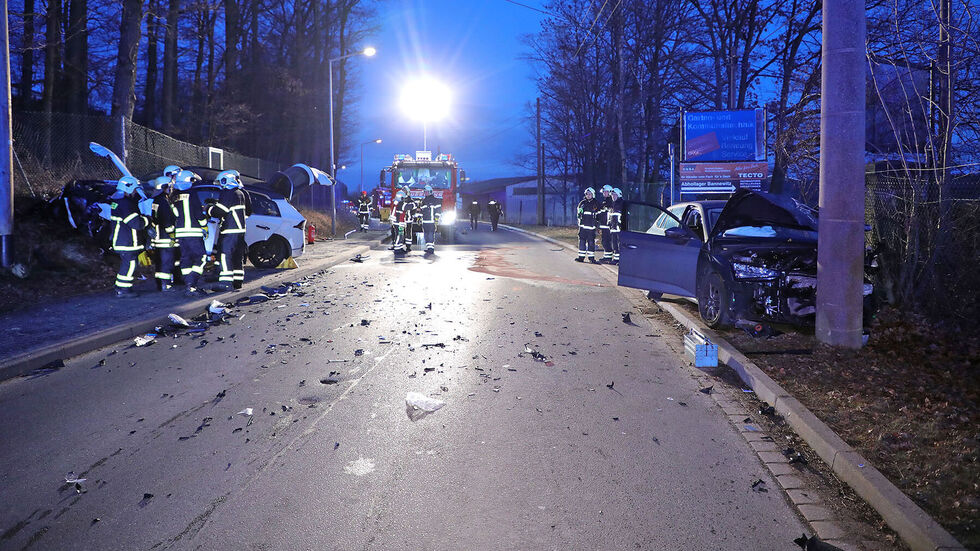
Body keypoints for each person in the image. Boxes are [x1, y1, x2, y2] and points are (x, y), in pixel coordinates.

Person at [210, 170, 251, 291]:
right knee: (237, 257)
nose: (220, 185)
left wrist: (209, 209)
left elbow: (220, 211)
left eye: (221, 182)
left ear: (225, 180)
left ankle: (225, 283)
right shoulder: (240, 193)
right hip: (240, 231)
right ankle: (237, 282)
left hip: (230, 231)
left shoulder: (228, 193)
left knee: (225, 256)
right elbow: (247, 212)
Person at [109, 176, 148, 298]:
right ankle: (123, 290)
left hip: (122, 240)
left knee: (128, 263)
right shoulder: (125, 204)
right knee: (130, 263)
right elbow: (136, 223)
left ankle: (120, 286)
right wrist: (147, 219)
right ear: (129, 188)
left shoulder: (118, 202)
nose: (136, 192)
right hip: (127, 241)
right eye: (135, 189)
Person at [172, 170, 209, 296]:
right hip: (193, 232)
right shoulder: (192, 193)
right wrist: (205, 226)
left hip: (180, 233)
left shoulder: (175, 195)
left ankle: (188, 285)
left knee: (186, 259)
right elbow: (198, 213)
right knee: (202, 258)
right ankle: (191, 283)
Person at [149, 176, 179, 291]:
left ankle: (160, 284)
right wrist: (172, 236)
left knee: (160, 262)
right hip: (166, 238)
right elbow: (167, 221)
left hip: (158, 238)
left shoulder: (156, 200)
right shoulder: (164, 202)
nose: (171, 189)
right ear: (164, 187)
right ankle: (165, 285)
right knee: (167, 262)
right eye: (170, 187)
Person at [575, 187, 600, 263]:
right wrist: (579, 219)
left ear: (593, 195)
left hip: (591, 228)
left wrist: (597, 226)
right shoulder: (582, 203)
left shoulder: (596, 203)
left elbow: (598, 216)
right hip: (583, 227)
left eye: (590, 194)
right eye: (587, 194)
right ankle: (581, 257)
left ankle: (591, 258)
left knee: (591, 242)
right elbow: (579, 213)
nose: (588, 195)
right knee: (582, 241)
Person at [418, 184, 442, 256]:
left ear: (430, 192)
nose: (425, 193)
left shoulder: (436, 201)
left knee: (431, 234)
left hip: (431, 221)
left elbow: (438, 211)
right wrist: (419, 218)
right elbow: (421, 211)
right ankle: (429, 248)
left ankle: (431, 249)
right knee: (426, 235)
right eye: (424, 192)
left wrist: (436, 219)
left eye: (426, 192)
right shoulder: (424, 201)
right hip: (425, 221)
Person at [390, 190, 411, 255]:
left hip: (399, 223)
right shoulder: (400, 204)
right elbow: (408, 207)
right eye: (404, 198)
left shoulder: (396, 203)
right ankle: (397, 248)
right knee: (399, 235)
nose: (404, 199)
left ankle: (400, 247)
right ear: (401, 198)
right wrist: (414, 204)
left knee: (401, 235)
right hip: (399, 223)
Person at [597, 184, 613, 263]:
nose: (604, 193)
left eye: (605, 192)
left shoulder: (611, 202)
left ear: (609, 192)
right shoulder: (604, 202)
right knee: (604, 241)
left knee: (607, 241)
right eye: (603, 192)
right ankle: (607, 257)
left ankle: (608, 257)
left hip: (608, 226)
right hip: (604, 226)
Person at [609, 187, 623, 265]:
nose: (613, 196)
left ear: (619, 195)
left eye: (615, 195)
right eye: (612, 195)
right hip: (613, 228)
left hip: (619, 229)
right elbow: (611, 216)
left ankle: (621, 260)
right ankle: (616, 259)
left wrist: (620, 225)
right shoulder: (613, 204)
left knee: (619, 244)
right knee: (614, 244)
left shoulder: (622, 204)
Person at [402, 185, 417, 252]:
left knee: (408, 233)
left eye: (405, 191)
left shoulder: (410, 200)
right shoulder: (400, 199)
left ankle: (408, 246)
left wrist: (411, 215)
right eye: (403, 190)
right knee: (400, 233)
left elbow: (414, 208)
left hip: (408, 220)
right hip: (401, 221)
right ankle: (399, 245)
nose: (404, 192)